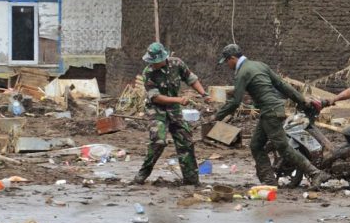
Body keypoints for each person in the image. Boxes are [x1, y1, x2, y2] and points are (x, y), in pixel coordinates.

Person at [214, 44, 330, 187]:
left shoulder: (242, 72)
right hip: (274, 110)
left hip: (270, 112)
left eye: (227, 61)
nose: (227, 64)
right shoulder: (259, 65)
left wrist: (216, 117)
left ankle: (315, 173)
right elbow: (282, 85)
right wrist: (302, 100)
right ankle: (269, 181)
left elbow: (235, 101)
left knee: (283, 148)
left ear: (232, 58)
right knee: (256, 145)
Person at [134, 42, 209, 186]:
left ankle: (191, 180)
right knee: (158, 141)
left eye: (156, 61)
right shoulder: (148, 73)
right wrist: (179, 100)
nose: (153, 64)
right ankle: (142, 174)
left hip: (174, 110)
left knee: (185, 141)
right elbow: (155, 97)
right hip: (157, 110)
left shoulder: (177, 64)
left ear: (164, 57)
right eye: (151, 61)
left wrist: (204, 94)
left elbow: (191, 79)